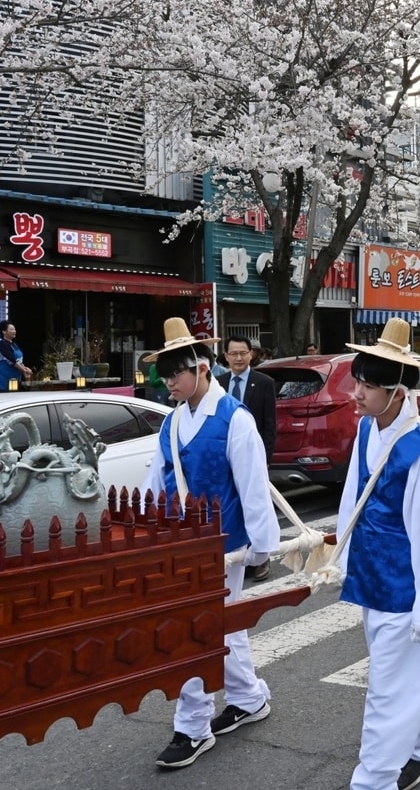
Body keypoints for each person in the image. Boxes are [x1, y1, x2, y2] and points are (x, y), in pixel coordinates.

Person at [141, 320, 279, 770]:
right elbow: (157, 481)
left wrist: (262, 544)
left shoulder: (234, 418)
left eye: (174, 375)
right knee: (222, 622)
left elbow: (253, 485)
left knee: (194, 629)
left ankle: (192, 725)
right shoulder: (173, 421)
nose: (169, 384)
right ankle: (248, 697)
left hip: (224, 543)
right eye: (164, 377)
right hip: (182, 541)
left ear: (201, 369)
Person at [334, 318, 420, 790]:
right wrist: (341, 560)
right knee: (398, 678)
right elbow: (352, 499)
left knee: (386, 690)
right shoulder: (368, 429)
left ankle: (373, 780)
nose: (357, 394)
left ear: (398, 391)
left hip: (405, 589)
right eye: (357, 383)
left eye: (368, 386)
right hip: (371, 578)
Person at [217, 334, 278, 583]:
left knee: (256, 504)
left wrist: (265, 459)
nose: (239, 358)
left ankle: (261, 559)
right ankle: (238, 555)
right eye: (234, 354)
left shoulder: (264, 382)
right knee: (234, 507)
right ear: (226, 356)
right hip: (226, 460)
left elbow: (269, 425)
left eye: (243, 353)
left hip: (253, 457)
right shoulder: (217, 382)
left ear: (251, 354)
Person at [0, 320, 33, 390]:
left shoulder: (14, 345)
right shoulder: (1, 344)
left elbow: (19, 361)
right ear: (4, 331)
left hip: (17, 378)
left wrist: (25, 369)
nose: (14, 331)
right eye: (11, 329)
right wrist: (24, 370)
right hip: (6, 379)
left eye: (14, 329)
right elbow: (11, 360)